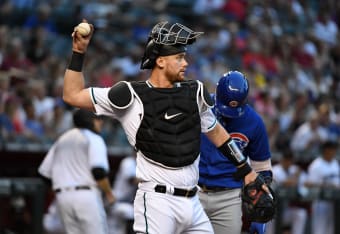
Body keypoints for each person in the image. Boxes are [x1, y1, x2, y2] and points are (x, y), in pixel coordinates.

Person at [62, 20, 273, 233]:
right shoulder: (129, 94)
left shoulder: (195, 92)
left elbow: (217, 133)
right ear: (161, 61)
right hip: (157, 202)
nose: (185, 63)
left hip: (193, 202)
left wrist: (246, 170)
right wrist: (78, 52)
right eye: (179, 57)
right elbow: (72, 95)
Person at [198, 71, 273, 234]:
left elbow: (262, 165)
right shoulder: (199, 106)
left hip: (229, 196)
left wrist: (261, 187)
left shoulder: (254, 122)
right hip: (193, 190)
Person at [38, 109, 115, 234]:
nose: (101, 122)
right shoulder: (94, 138)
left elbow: (44, 174)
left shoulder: (62, 139)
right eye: (98, 119)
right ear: (90, 121)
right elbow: (98, 172)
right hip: (86, 196)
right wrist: (109, 194)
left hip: (62, 197)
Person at [266, 149, 308, 234]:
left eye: (290, 160)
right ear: (283, 159)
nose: (288, 162)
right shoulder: (275, 170)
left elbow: (306, 182)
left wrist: (297, 178)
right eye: (286, 160)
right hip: (273, 210)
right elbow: (286, 183)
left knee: (301, 213)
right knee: (270, 223)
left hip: (286, 209)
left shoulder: (294, 168)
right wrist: (296, 177)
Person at [305, 140, 340, 234]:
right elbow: (308, 184)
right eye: (332, 149)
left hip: (334, 202)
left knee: (331, 229)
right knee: (319, 230)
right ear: (326, 150)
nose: (334, 152)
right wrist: (324, 185)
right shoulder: (316, 165)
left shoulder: (335, 163)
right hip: (320, 202)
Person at [107, 153, 138, 234]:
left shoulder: (138, 165)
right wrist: (150, 181)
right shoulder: (128, 162)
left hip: (126, 202)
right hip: (116, 201)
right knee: (131, 213)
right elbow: (132, 180)